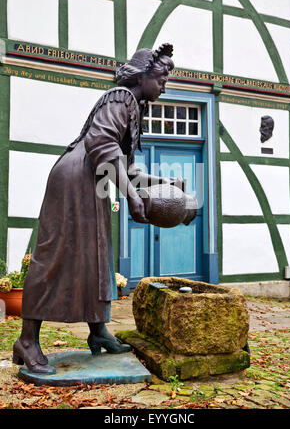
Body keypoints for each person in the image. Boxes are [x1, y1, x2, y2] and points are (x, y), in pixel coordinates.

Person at [12, 44, 175, 374]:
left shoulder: (130, 106)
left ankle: (98, 331)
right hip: (75, 178)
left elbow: (123, 166)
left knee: (95, 254)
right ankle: (27, 340)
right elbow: (102, 145)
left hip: (91, 180)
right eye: (161, 77)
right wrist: (130, 196)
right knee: (55, 255)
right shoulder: (120, 98)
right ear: (142, 76)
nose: (164, 84)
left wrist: (164, 184)